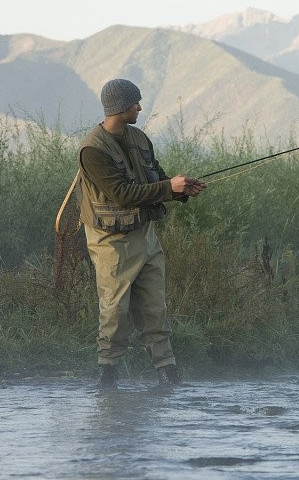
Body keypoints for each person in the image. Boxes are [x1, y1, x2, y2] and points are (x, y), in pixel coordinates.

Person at [78, 78, 206, 389]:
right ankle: (107, 378)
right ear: (121, 108)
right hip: (112, 243)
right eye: (135, 102)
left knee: (155, 309)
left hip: (146, 237)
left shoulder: (139, 137)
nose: (140, 107)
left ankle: (168, 375)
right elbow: (121, 193)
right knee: (115, 312)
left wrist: (181, 190)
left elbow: (156, 180)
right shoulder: (92, 150)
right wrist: (167, 187)